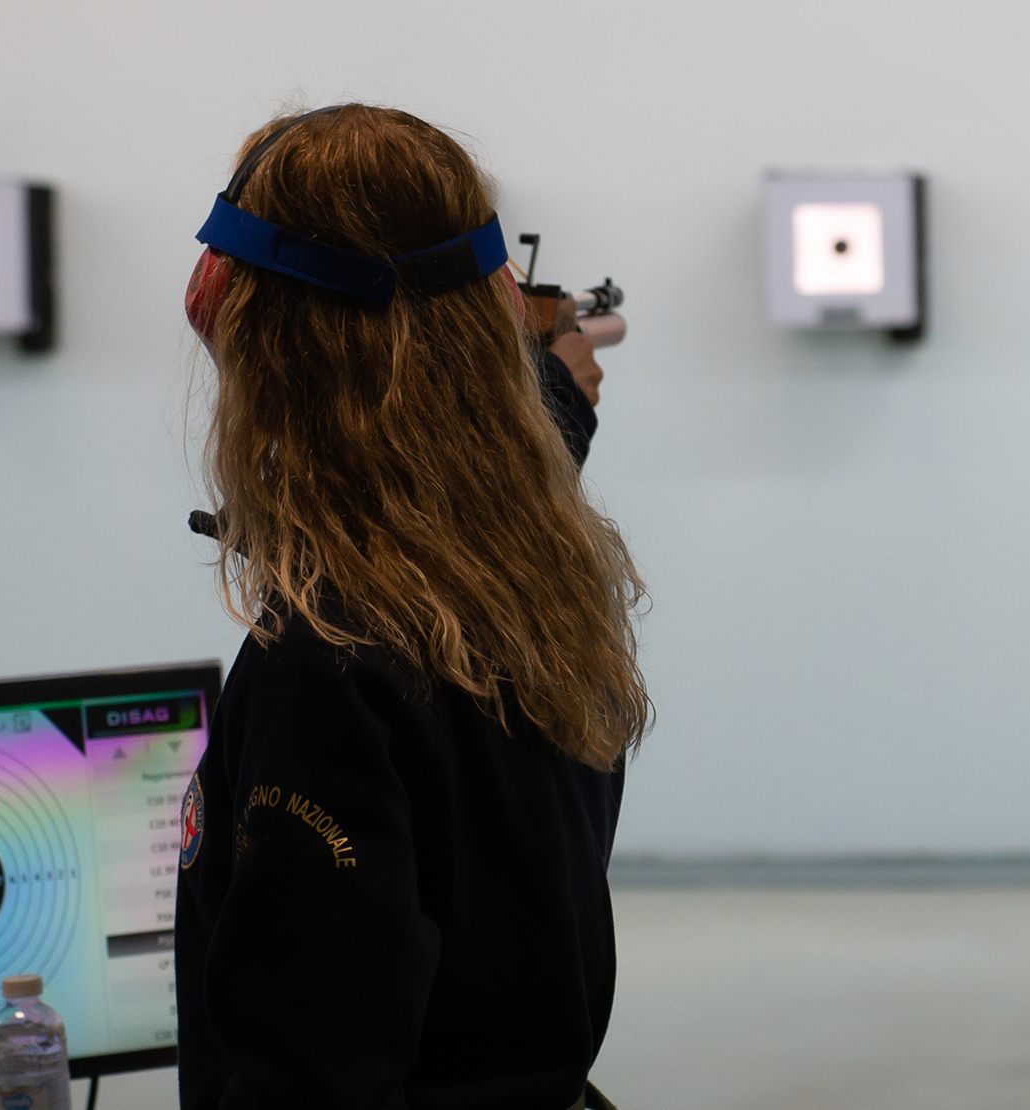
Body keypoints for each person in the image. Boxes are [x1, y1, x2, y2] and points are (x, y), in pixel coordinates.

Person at [170, 103, 649, 1110]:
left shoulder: (326, 667)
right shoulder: (534, 580)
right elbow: (467, 456)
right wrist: (552, 396)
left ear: (248, 331)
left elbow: (312, 1086)